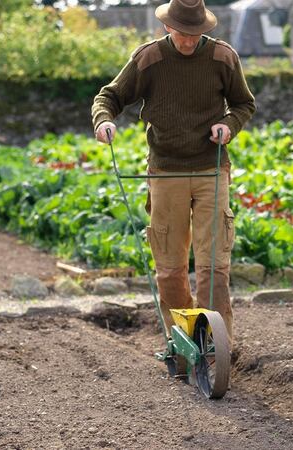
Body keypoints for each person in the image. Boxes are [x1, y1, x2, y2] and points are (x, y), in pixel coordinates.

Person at [92, 0, 255, 349]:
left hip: (212, 170)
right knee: (170, 269)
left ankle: (215, 344)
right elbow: (110, 96)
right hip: (165, 171)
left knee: (214, 268)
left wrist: (228, 125)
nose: (188, 41)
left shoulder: (223, 58)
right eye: (182, 33)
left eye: (195, 34)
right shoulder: (149, 58)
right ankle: (182, 343)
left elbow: (244, 104)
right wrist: (104, 120)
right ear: (168, 27)